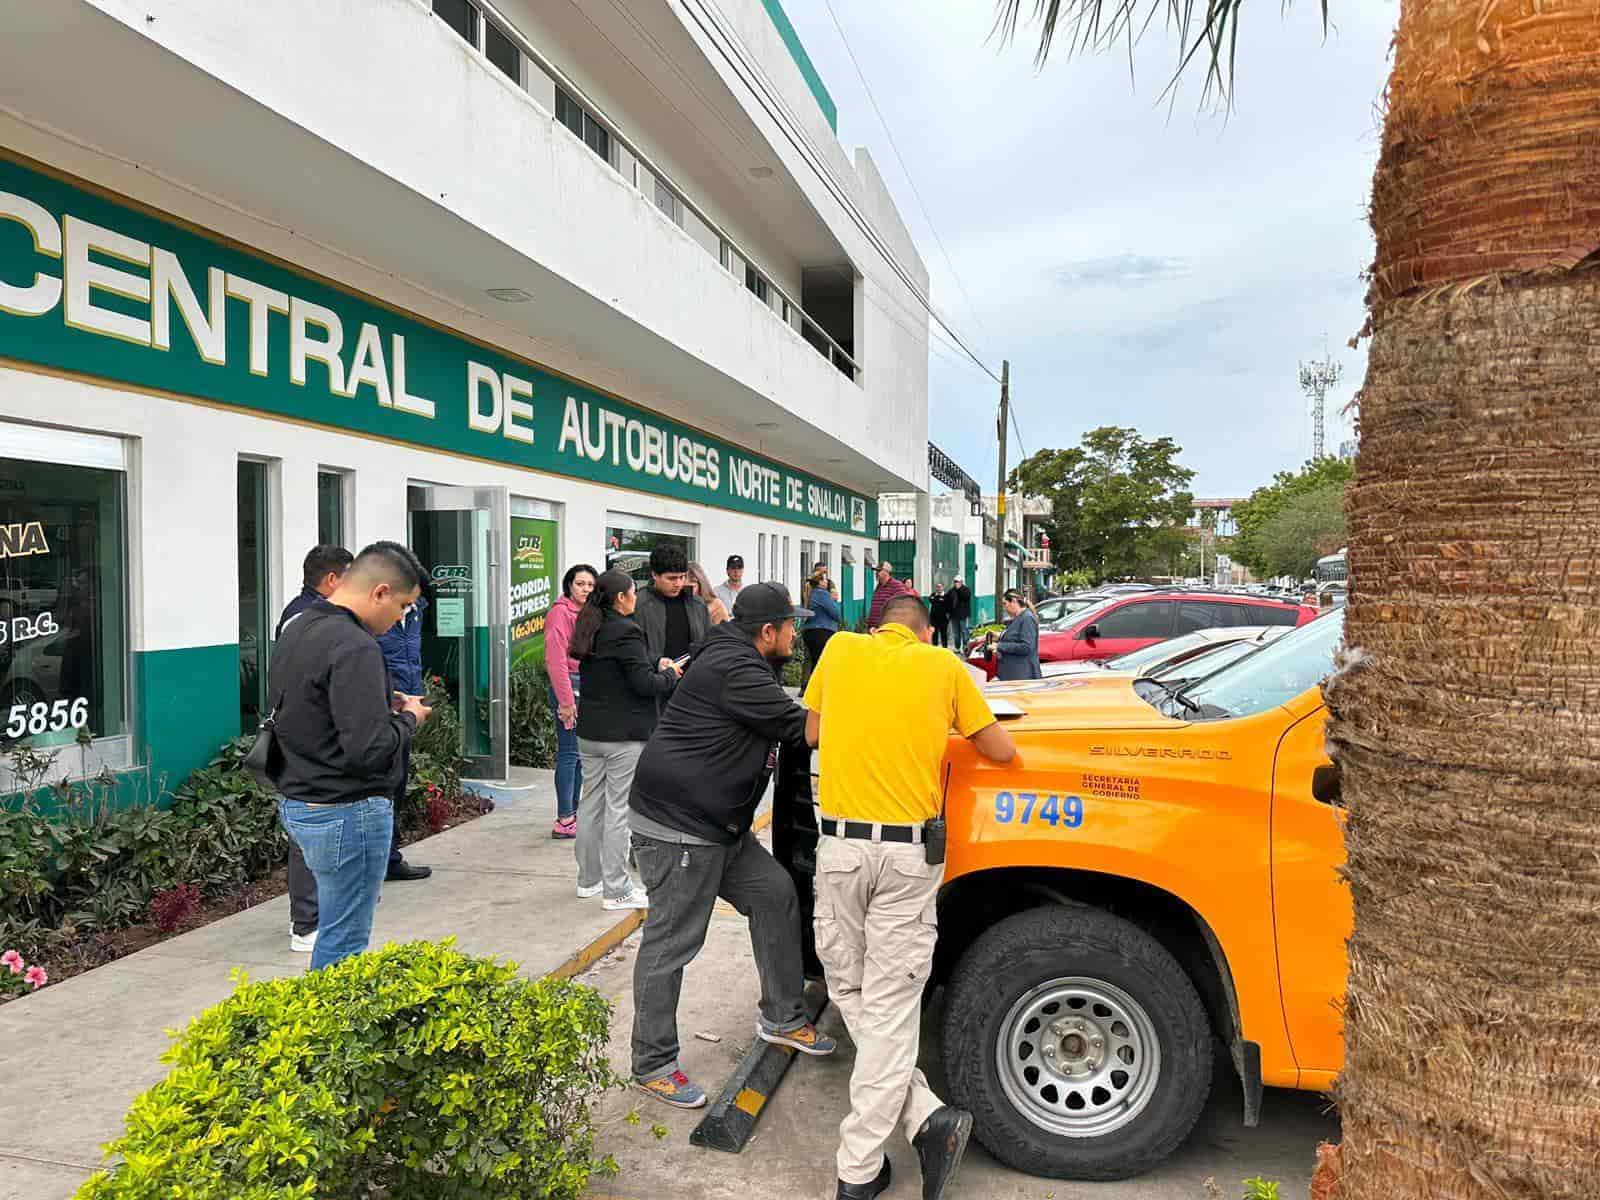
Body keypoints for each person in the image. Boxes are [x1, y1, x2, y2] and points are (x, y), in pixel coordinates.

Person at [803, 595, 1016, 1200]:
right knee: (891, 1004)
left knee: (848, 985)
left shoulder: (840, 650)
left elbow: (813, 732)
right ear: (925, 631)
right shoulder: (945, 667)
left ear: (878, 628)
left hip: (841, 849)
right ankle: (869, 1161)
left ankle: (917, 1120)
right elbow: (1001, 750)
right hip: (907, 858)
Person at [628, 582, 836, 1108]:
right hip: (679, 827)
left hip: (717, 828)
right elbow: (805, 729)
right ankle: (652, 1063)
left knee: (774, 894)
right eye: (791, 625)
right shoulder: (738, 670)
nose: (797, 632)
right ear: (768, 632)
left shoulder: (734, 652)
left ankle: (782, 1017)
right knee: (672, 942)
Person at [269, 542, 433, 971]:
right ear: (379, 591)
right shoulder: (357, 645)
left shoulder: (299, 626)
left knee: (334, 931)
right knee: (343, 944)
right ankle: (331, 1034)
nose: (400, 618)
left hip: (302, 799)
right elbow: (369, 750)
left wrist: (380, 700)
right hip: (347, 811)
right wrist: (410, 718)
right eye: (402, 606)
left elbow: (309, 704)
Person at [571, 569, 681, 910]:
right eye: (633, 593)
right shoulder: (627, 630)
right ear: (621, 598)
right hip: (624, 737)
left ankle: (588, 880)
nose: (636, 597)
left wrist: (655, 662)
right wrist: (669, 675)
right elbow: (644, 685)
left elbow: (623, 664)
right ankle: (616, 890)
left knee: (590, 805)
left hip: (591, 733)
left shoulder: (593, 626)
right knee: (618, 810)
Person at [274, 544, 353, 955]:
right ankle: (306, 923)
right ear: (332, 580)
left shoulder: (300, 615)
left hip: (303, 736)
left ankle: (315, 915)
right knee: (311, 827)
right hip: (307, 741)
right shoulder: (308, 619)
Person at [376, 583, 433, 883]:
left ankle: (390, 857)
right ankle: (378, 859)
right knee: (382, 786)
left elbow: (412, 655)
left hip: (408, 707)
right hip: (380, 709)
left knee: (397, 783)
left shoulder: (416, 610)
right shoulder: (376, 616)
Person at [545, 563, 598, 840]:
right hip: (569, 686)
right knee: (568, 754)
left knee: (578, 757)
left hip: (584, 686)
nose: (585, 589)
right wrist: (566, 701)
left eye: (590, 585)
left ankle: (573, 815)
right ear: (569, 585)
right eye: (580, 584)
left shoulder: (589, 613)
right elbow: (555, 661)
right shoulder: (560, 613)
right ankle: (564, 818)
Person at [634, 545, 711, 667]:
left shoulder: (698, 604)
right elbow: (632, 649)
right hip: (655, 680)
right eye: (671, 578)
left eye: (682, 577)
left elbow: (708, 643)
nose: (678, 583)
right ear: (654, 575)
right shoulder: (638, 604)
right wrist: (656, 662)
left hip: (692, 680)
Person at [800, 561, 841, 691]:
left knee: (814, 663)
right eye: (824, 579)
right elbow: (836, 614)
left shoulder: (811, 592)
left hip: (810, 631)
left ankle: (811, 689)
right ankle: (818, 691)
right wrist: (834, 600)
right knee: (821, 664)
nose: (827, 581)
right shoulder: (822, 594)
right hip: (821, 632)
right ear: (820, 582)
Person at [990, 589, 1042, 681]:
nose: (1004, 608)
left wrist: (999, 646)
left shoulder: (1027, 619)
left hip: (1022, 676)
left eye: (1005, 604)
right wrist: (1000, 636)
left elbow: (1026, 647)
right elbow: (1015, 637)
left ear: (1014, 601)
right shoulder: (1019, 618)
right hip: (1014, 674)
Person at [865, 560, 916, 631]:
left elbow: (904, 607)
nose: (876, 573)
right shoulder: (878, 587)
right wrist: (870, 625)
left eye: (878, 571)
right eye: (876, 571)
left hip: (887, 629)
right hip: (874, 629)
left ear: (886, 572)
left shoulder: (897, 586)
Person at [947, 577, 973, 649]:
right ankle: (957, 647)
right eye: (955, 581)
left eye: (958, 581)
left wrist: (959, 589)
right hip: (954, 615)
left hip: (963, 615)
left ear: (961, 582)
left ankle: (965, 646)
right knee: (956, 633)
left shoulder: (966, 590)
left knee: (964, 631)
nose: (956, 583)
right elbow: (948, 600)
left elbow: (966, 596)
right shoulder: (951, 590)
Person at [928, 582, 951, 649]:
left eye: (940, 587)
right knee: (934, 634)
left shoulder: (946, 596)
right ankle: (935, 647)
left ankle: (945, 648)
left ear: (943, 588)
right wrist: (938, 599)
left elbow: (947, 604)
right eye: (937, 587)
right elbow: (931, 600)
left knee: (944, 634)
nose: (939, 588)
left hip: (943, 619)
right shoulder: (933, 594)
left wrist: (937, 599)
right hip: (934, 618)